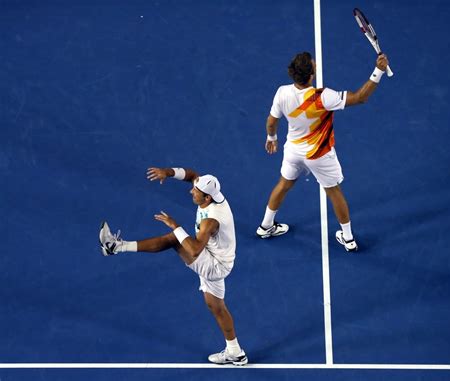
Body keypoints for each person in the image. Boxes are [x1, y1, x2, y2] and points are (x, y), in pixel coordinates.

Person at [99, 167, 248, 366]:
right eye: (194, 188)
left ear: (207, 199)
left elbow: (194, 250)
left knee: (173, 239)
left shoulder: (211, 221)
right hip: (218, 256)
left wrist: (175, 226)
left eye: (196, 192)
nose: (191, 191)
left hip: (215, 265)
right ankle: (235, 352)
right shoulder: (208, 191)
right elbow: (193, 175)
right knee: (217, 307)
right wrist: (167, 173)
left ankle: (116, 246)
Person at [256, 52, 389, 252]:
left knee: (283, 185)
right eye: (313, 65)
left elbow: (272, 121)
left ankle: (265, 226)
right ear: (310, 76)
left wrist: (271, 138)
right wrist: (378, 70)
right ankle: (348, 238)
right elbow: (361, 97)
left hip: (293, 151)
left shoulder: (281, 92)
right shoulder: (323, 97)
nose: (316, 64)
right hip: (319, 155)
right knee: (334, 192)